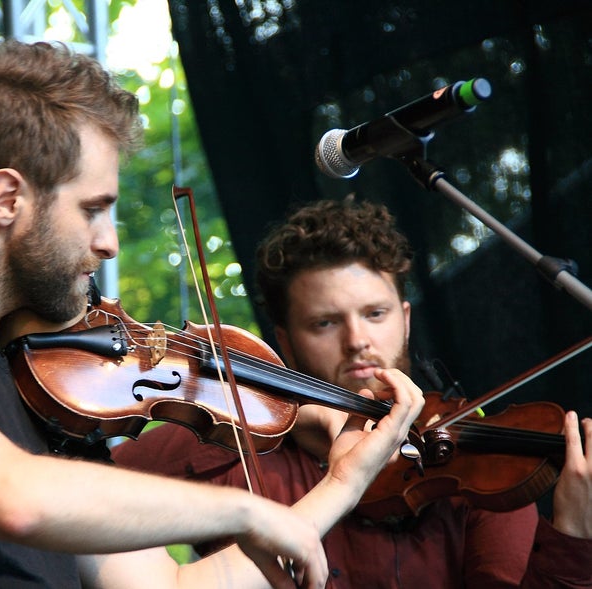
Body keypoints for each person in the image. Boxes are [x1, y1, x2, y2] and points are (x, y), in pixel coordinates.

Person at [0, 41, 427, 589]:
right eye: (93, 208)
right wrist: (248, 512)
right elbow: (13, 498)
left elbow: (174, 586)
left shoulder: (48, 392)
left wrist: (342, 483)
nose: (109, 242)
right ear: (8, 197)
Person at [112, 198, 592, 588]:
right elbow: (79, 504)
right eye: (325, 322)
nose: (357, 340)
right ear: (285, 339)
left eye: (375, 314)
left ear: (405, 319)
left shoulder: (475, 459)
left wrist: (573, 536)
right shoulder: (228, 433)